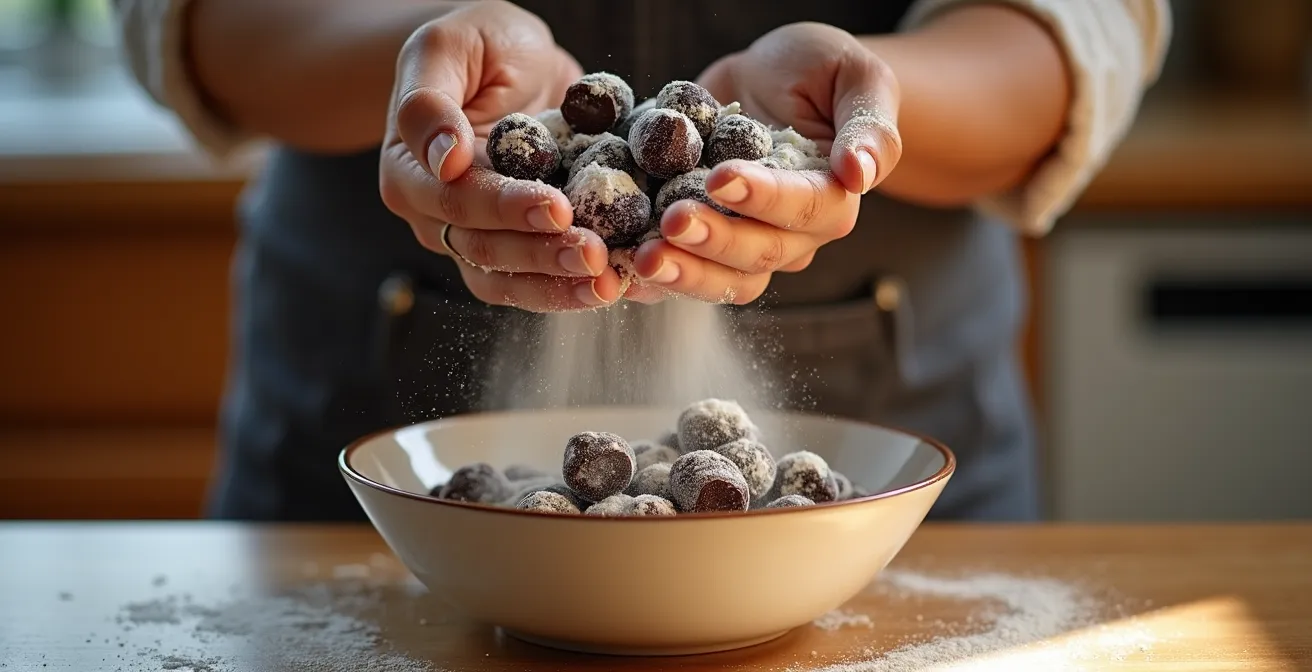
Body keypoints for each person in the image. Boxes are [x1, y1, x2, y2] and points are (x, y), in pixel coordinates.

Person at [114, 0, 1169, 522]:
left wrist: (869, 94)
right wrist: (421, 58)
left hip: (905, 467)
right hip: (355, 473)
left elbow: (1090, 28)